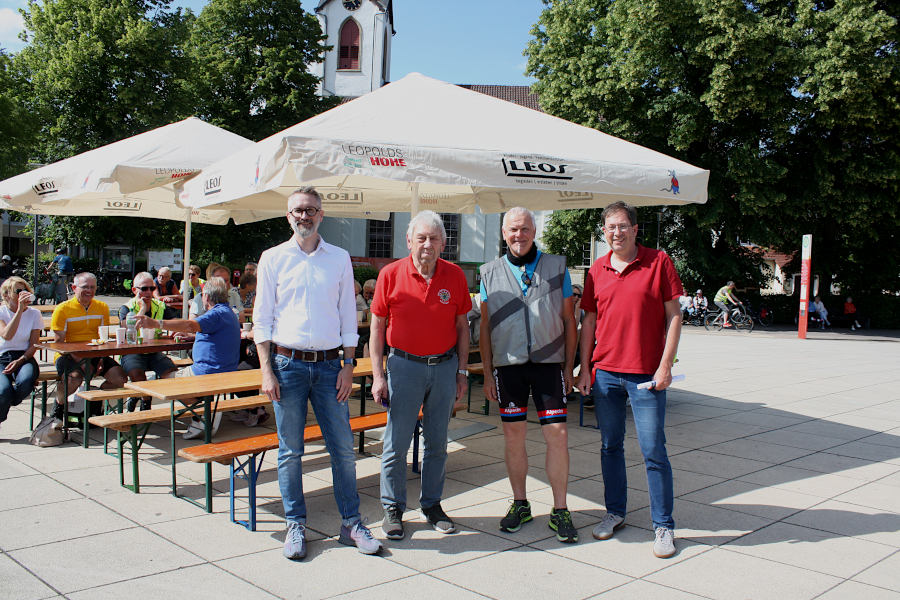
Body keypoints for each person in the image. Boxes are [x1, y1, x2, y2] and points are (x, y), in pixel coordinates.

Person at [254, 186, 381, 560]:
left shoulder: (338, 258)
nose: (303, 216)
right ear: (288, 215)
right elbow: (262, 320)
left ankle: (351, 523)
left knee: (342, 448)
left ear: (321, 215)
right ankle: (295, 524)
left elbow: (348, 317)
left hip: (330, 368)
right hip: (287, 365)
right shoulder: (273, 258)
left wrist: (348, 365)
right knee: (290, 451)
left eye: (310, 210)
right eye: (297, 211)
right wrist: (267, 371)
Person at [576, 201, 683, 559]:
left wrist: (665, 365)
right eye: (610, 227)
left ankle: (663, 525)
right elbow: (589, 321)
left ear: (635, 229)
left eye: (623, 226)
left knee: (653, 450)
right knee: (610, 446)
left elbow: (674, 316)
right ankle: (615, 512)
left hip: (646, 376)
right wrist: (584, 367)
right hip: (605, 374)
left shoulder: (658, 262)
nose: (616, 233)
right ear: (603, 232)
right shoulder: (597, 270)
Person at [478, 207, 578, 543]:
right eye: (512, 230)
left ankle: (560, 508)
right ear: (503, 233)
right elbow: (485, 327)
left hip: (549, 365)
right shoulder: (488, 272)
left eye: (524, 229)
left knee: (558, 435)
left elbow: (568, 320)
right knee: (513, 437)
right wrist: (488, 373)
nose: (518, 235)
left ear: (534, 230)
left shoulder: (556, 267)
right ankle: (520, 503)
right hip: (508, 367)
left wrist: (568, 367)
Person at [370, 210, 471, 541]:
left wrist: (461, 371)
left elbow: (461, 326)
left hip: (443, 368)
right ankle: (393, 509)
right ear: (409, 240)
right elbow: (377, 328)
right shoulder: (390, 274)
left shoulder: (455, 275)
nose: (427, 244)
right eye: (421, 237)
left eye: (434, 238)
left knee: (438, 443)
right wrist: (377, 375)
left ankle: (432, 505)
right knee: (396, 443)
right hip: (403, 367)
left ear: (443, 242)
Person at [135, 276, 240, 440]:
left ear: (205, 296)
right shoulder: (228, 312)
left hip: (208, 371)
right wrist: (192, 335)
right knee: (171, 371)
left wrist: (156, 323)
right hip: (224, 370)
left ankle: (202, 415)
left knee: (164, 382)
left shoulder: (216, 313)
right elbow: (205, 332)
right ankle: (203, 409)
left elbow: (191, 324)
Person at [49, 273, 127, 422]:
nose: (89, 291)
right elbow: (59, 343)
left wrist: (101, 361)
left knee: (121, 379)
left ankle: (94, 401)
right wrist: (82, 362)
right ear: (74, 288)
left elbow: (103, 338)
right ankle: (58, 409)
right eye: (85, 287)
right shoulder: (62, 309)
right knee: (73, 379)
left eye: (92, 287)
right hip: (67, 355)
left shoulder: (102, 307)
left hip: (95, 353)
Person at [118, 272, 179, 412]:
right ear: (134, 290)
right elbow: (126, 327)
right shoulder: (126, 307)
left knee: (172, 374)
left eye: (152, 288)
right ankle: (145, 401)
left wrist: (179, 329)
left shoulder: (160, 306)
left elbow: (175, 322)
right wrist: (143, 309)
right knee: (138, 376)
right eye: (144, 289)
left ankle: (139, 396)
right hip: (131, 352)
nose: (148, 292)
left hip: (154, 352)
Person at [0, 277, 41, 429]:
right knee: (3, 390)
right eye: (18, 291)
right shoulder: (2, 312)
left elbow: (34, 344)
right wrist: (19, 310)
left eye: (25, 290)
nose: (23, 294)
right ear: (6, 295)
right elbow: (6, 335)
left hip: (24, 356)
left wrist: (21, 360)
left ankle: (7, 402)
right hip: (2, 357)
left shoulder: (34, 314)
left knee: (26, 382)